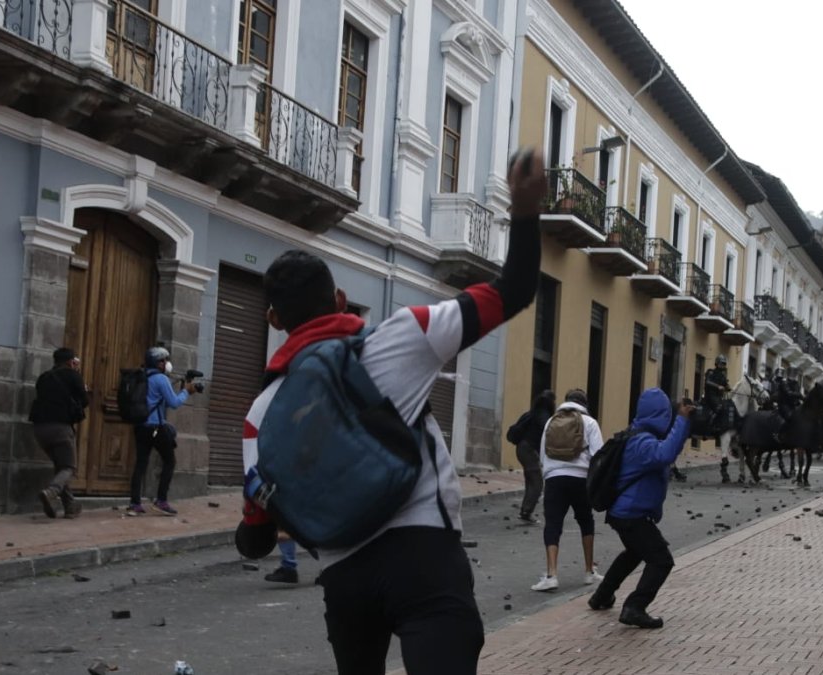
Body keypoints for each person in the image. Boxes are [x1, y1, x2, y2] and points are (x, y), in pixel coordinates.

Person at [238, 149, 548, 675]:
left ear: (272, 318)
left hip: (344, 580)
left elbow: (257, 536)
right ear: (340, 299)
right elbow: (514, 289)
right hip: (425, 555)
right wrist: (524, 209)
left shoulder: (259, 415)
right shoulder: (405, 335)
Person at [588, 388, 693, 629]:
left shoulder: (635, 434)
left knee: (634, 552)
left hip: (623, 512)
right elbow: (666, 454)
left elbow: (666, 449)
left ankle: (602, 596)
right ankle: (634, 607)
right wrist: (682, 420)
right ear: (661, 414)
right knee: (661, 560)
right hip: (631, 513)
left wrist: (683, 422)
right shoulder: (642, 442)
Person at [531, 388, 605, 591]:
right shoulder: (590, 423)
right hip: (581, 479)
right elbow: (598, 455)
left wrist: (549, 474)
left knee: (553, 525)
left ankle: (551, 575)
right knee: (586, 522)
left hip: (555, 478)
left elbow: (543, 453)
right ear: (584, 404)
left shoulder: (551, 422)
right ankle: (589, 572)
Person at [126, 346, 193, 516]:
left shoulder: (142, 376)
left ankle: (135, 504)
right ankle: (161, 501)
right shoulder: (161, 379)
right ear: (158, 363)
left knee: (140, 464)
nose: (166, 363)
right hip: (155, 428)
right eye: (163, 360)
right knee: (169, 461)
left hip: (140, 426)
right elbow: (174, 403)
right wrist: (186, 391)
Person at [28, 347, 89, 519]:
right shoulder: (73, 376)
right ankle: (51, 492)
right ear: (70, 362)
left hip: (40, 429)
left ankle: (70, 506)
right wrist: (81, 385)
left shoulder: (44, 377)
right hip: (61, 427)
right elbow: (84, 400)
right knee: (69, 467)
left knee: (60, 467)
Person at [506, 389, 555, 524]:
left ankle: (525, 511)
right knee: (537, 483)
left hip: (522, 449)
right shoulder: (543, 415)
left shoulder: (531, 413)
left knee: (530, 480)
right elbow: (548, 431)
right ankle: (526, 513)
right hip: (528, 450)